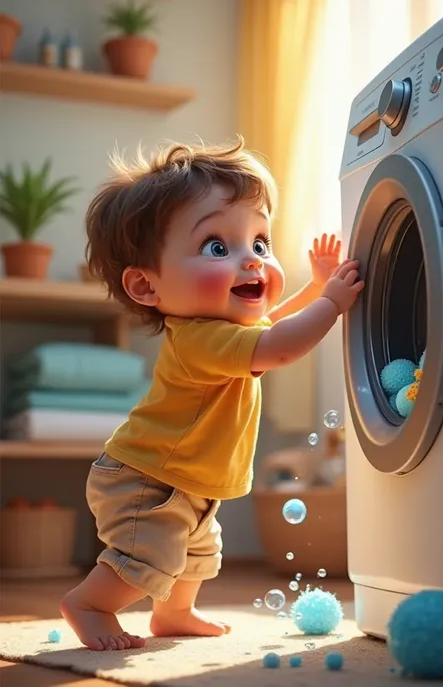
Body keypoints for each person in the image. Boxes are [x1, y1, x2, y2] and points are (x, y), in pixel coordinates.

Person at [60, 137, 364, 651]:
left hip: (188, 479)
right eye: (218, 247)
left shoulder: (226, 329)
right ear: (146, 287)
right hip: (147, 478)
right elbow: (282, 346)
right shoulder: (201, 337)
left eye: (261, 244)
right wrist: (332, 303)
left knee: (197, 553)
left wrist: (315, 287)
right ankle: (90, 603)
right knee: (147, 558)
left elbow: (274, 323)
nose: (252, 263)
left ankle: (173, 615)